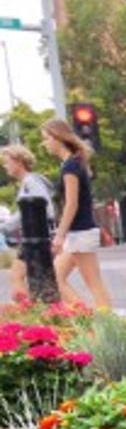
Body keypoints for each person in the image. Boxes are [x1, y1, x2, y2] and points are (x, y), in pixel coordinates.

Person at [40, 117, 111, 310]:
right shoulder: (72, 163)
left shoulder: (71, 166)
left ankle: (107, 328)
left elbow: (71, 204)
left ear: (57, 138)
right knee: (55, 277)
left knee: (94, 284)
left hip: (80, 232)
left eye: (46, 138)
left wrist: (59, 236)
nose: (44, 144)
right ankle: (85, 317)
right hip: (79, 232)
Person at [0, 143, 56, 298]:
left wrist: (4, 227)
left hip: (37, 238)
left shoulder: (30, 182)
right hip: (37, 237)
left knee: (19, 276)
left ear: (19, 161)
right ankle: (30, 312)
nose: (5, 166)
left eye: (7, 162)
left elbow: (37, 207)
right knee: (18, 275)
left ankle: (30, 312)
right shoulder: (29, 182)